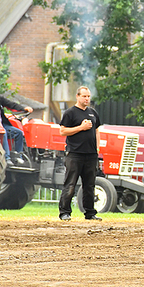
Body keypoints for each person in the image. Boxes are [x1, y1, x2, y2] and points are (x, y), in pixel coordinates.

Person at [58, 86, 102, 222]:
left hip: (91, 154)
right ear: (77, 96)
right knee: (70, 184)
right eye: (84, 96)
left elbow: (97, 130)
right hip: (75, 154)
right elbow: (62, 131)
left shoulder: (93, 113)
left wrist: (98, 147)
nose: (87, 99)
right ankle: (65, 212)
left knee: (89, 185)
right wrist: (81, 128)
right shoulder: (70, 113)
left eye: (88, 96)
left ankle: (90, 213)